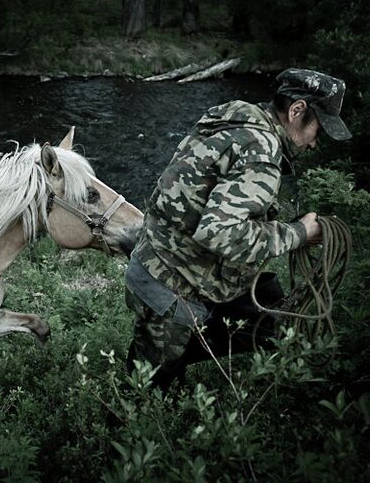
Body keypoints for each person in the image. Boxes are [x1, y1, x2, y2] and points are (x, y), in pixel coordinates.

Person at [124, 68, 352, 389]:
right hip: (171, 287)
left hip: (156, 263)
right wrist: (299, 233)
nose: (316, 143)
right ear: (297, 110)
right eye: (319, 129)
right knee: (146, 391)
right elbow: (218, 232)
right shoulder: (260, 152)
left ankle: (160, 354)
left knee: (268, 319)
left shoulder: (235, 118)